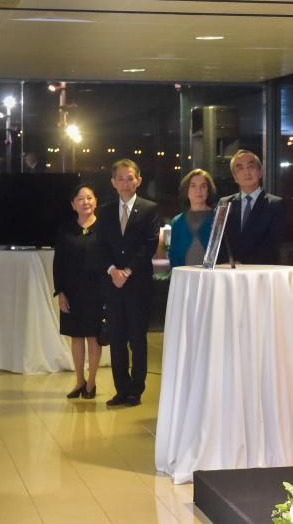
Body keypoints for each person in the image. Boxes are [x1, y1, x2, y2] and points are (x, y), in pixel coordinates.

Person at [96, 159, 159, 407]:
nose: (125, 182)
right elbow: (100, 245)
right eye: (120, 178)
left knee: (137, 338)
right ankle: (120, 389)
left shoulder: (149, 209)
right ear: (113, 182)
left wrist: (128, 271)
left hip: (138, 283)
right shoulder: (106, 210)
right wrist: (113, 271)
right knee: (117, 338)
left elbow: (149, 245)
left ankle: (136, 390)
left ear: (138, 181)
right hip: (112, 285)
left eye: (129, 178)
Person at [53, 185, 104, 399]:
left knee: (93, 337)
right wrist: (60, 292)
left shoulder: (104, 228)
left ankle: (91, 383)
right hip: (72, 291)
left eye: (89, 197)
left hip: (97, 291)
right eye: (80, 198)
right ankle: (79, 381)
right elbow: (59, 263)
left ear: (95, 201)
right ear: (73, 204)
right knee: (76, 337)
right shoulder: (65, 230)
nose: (85, 202)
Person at [218, 149, 286, 265]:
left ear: (260, 172)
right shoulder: (225, 203)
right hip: (228, 272)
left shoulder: (275, 204)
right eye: (240, 168)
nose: (246, 172)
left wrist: (243, 263)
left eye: (251, 167)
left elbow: (273, 245)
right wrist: (228, 263)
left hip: (261, 272)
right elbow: (219, 241)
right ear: (235, 177)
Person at [168, 169, 216, 267]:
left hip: (213, 278)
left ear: (208, 190)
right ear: (187, 190)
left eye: (203, 186)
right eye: (193, 186)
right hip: (185, 278)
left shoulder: (218, 218)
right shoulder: (177, 221)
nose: (198, 191)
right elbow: (173, 256)